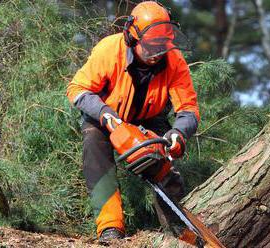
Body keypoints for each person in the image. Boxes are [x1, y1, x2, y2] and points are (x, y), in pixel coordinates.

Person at [66, 1, 200, 243]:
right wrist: (106, 114)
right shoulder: (109, 50)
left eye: (162, 46)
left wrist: (178, 134)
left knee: (163, 166)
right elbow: (77, 89)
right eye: (151, 47)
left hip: (150, 117)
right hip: (105, 115)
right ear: (132, 38)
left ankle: (180, 232)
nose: (157, 52)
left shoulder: (174, 60)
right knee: (94, 146)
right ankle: (110, 228)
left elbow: (188, 109)